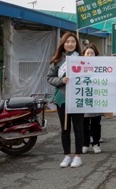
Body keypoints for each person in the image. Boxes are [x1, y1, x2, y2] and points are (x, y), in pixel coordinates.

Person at [47, 31, 84, 168]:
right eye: (67, 42)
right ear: (63, 44)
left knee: (79, 128)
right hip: (62, 98)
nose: (70, 44)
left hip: (78, 97)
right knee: (65, 128)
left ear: (76, 44)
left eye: (73, 42)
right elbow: (49, 78)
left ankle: (78, 156)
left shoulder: (82, 59)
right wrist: (61, 80)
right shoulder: (57, 61)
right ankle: (67, 155)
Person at [82, 43, 103, 154]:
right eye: (87, 53)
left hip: (97, 98)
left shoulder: (100, 67)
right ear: (83, 55)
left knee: (96, 122)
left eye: (92, 53)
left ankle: (96, 143)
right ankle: (85, 143)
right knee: (83, 123)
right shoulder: (78, 66)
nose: (90, 55)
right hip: (84, 98)